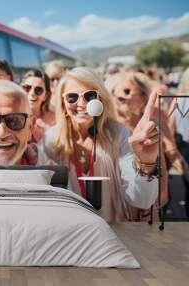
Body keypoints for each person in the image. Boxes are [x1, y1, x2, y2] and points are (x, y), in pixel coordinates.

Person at [41, 67, 158, 222]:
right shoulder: (50, 140)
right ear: (62, 102)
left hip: (115, 233)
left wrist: (146, 163)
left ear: (101, 98)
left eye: (90, 96)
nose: (82, 104)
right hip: (71, 235)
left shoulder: (118, 134)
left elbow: (142, 200)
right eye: (72, 97)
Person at [20, 69, 55, 143]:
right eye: (27, 88)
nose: (32, 93)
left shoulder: (56, 121)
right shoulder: (11, 118)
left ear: (46, 96)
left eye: (38, 90)